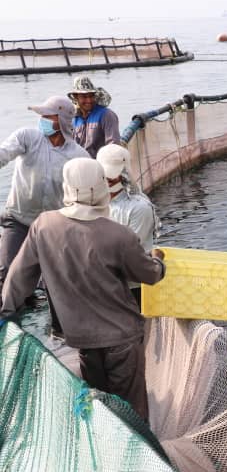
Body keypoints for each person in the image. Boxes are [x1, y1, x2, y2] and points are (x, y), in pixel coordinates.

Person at [0, 158, 166, 423]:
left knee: (100, 404)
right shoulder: (118, 234)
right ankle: (140, 453)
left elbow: (19, 278)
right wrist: (158, 261)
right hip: (122, 338)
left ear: (67, 187)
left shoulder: (43, 226)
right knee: (132, 410)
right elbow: (149, 274)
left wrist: (5, 312)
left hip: (82, 340)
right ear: (100, 187)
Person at [0, 96, 88, 298]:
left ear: (63, 120)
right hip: (18, 219)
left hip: (53, 227)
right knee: (6, 274)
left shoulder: (79, 156)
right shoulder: (27, 137)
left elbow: (86, 197)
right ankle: (8, 318)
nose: (43, 119)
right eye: (42, 115)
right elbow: (3, 153)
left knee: (58, 284)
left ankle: (57, 325)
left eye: (49, 116)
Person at [97, 144, 161, 306]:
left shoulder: (139, 207)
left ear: (124, 173)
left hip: (132, 288)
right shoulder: (95, 203)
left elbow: (130, 254)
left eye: (112, 175)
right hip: (104, 284)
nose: (108, 180)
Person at [68, 76, 121, 158]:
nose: (89, 100)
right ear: (76, 97)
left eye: (91, 96)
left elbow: (113, 146)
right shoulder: (73, 119)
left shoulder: (107, 115)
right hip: (80, 164)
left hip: (101, 165)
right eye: (84, 97)